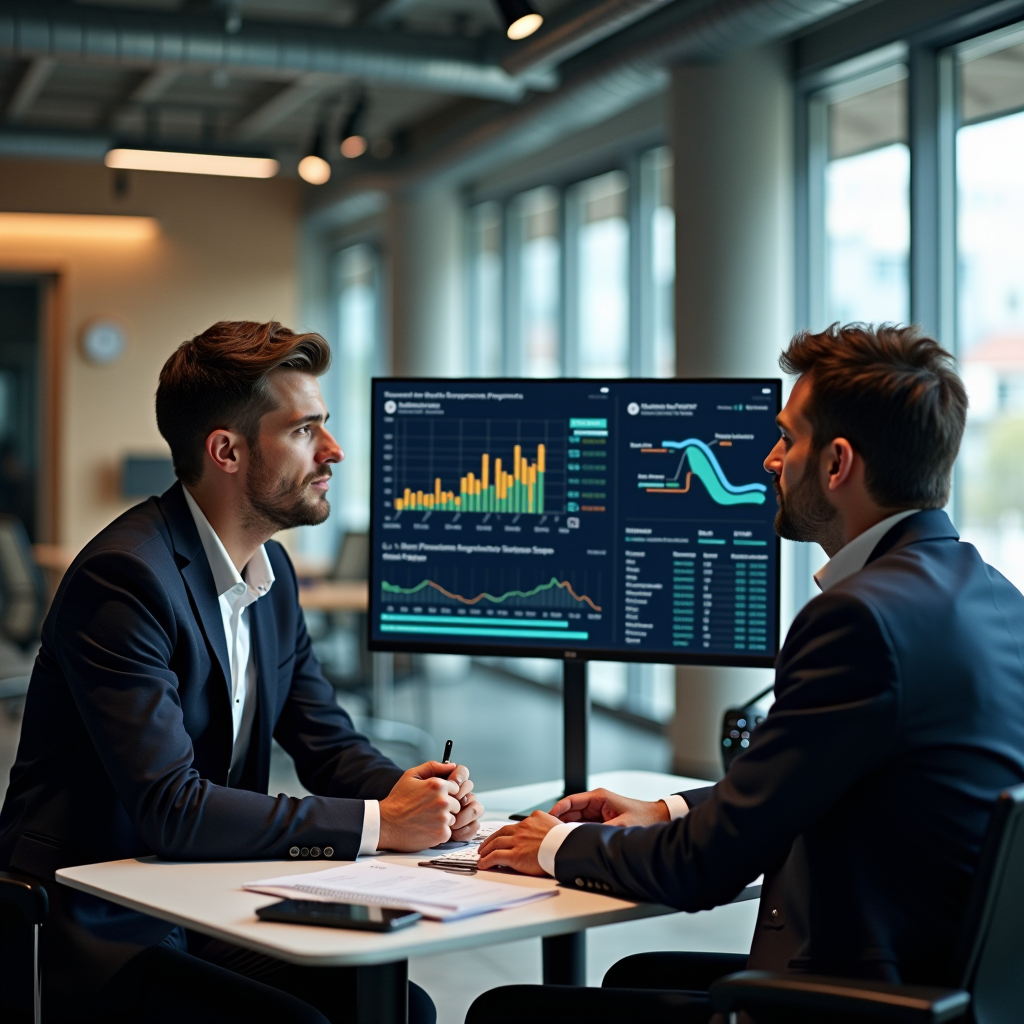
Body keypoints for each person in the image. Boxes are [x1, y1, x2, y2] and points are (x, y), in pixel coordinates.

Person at [471, 323, 1024, 1023]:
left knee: (509, 1012)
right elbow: (820, 779)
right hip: (942, 987)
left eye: (787, 438)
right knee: (636, 975)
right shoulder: (994, 595)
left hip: (863, 998)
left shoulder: (858, 619)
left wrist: (553, 844)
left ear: (837, 463)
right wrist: (668, 809)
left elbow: (703, 869)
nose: (769, 460)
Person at [0, 321, 484, 1024]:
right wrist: (385, 822)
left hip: (201, 900)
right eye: (305, 431)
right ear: (226, 450)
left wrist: (419, 796)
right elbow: (173, 807)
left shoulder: (272, 572)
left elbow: (327, 742)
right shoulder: (127, 578)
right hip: (97, 921)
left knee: (397, 1007)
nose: (334, 451)